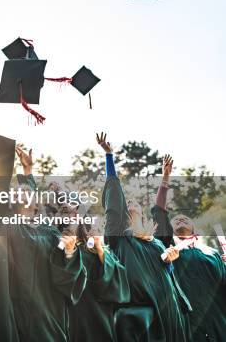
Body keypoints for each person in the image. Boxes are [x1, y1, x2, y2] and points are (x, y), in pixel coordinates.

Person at [0, 108, 86, 342]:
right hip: (10, 311)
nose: (21, 190)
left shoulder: (50, 231)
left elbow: (67, 274)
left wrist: (71, 251)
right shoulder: (5, 223)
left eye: (27, 190)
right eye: (17, 190)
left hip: (45, 315)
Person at [97, 132, 191, 341]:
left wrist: (169, 259)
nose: (130, 203)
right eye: (126, 202)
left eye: (134, 202)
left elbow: (166, 270)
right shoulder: (118, 236)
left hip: (168, 308)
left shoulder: (156, 242)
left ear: (141, 211)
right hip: (139, 316)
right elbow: (113, 200)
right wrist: (109, 156)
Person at [152, 154, 226, 341]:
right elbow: (159, 213)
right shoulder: (167, 247)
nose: (180, 218)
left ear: (194, 228)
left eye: (185, 218)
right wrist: (165, 179)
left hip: (219, 325)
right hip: (186, 327)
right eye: (175, 219)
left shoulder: (212, 254)